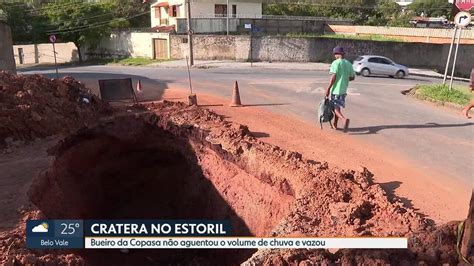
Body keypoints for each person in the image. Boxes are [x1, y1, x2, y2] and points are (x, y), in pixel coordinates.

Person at [325, 46, 355, 131]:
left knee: (334, 108)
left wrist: (328, 89)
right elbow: (352, 77)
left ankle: (343, 119)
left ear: (337, 54)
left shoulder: (335, 63)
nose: (334, 56)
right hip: (343, 90)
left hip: (335, 90)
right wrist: (344, 78)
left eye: (335, 54)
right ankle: (335, 124)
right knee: (338, 107)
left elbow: (333, 77)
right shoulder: (349, 64)